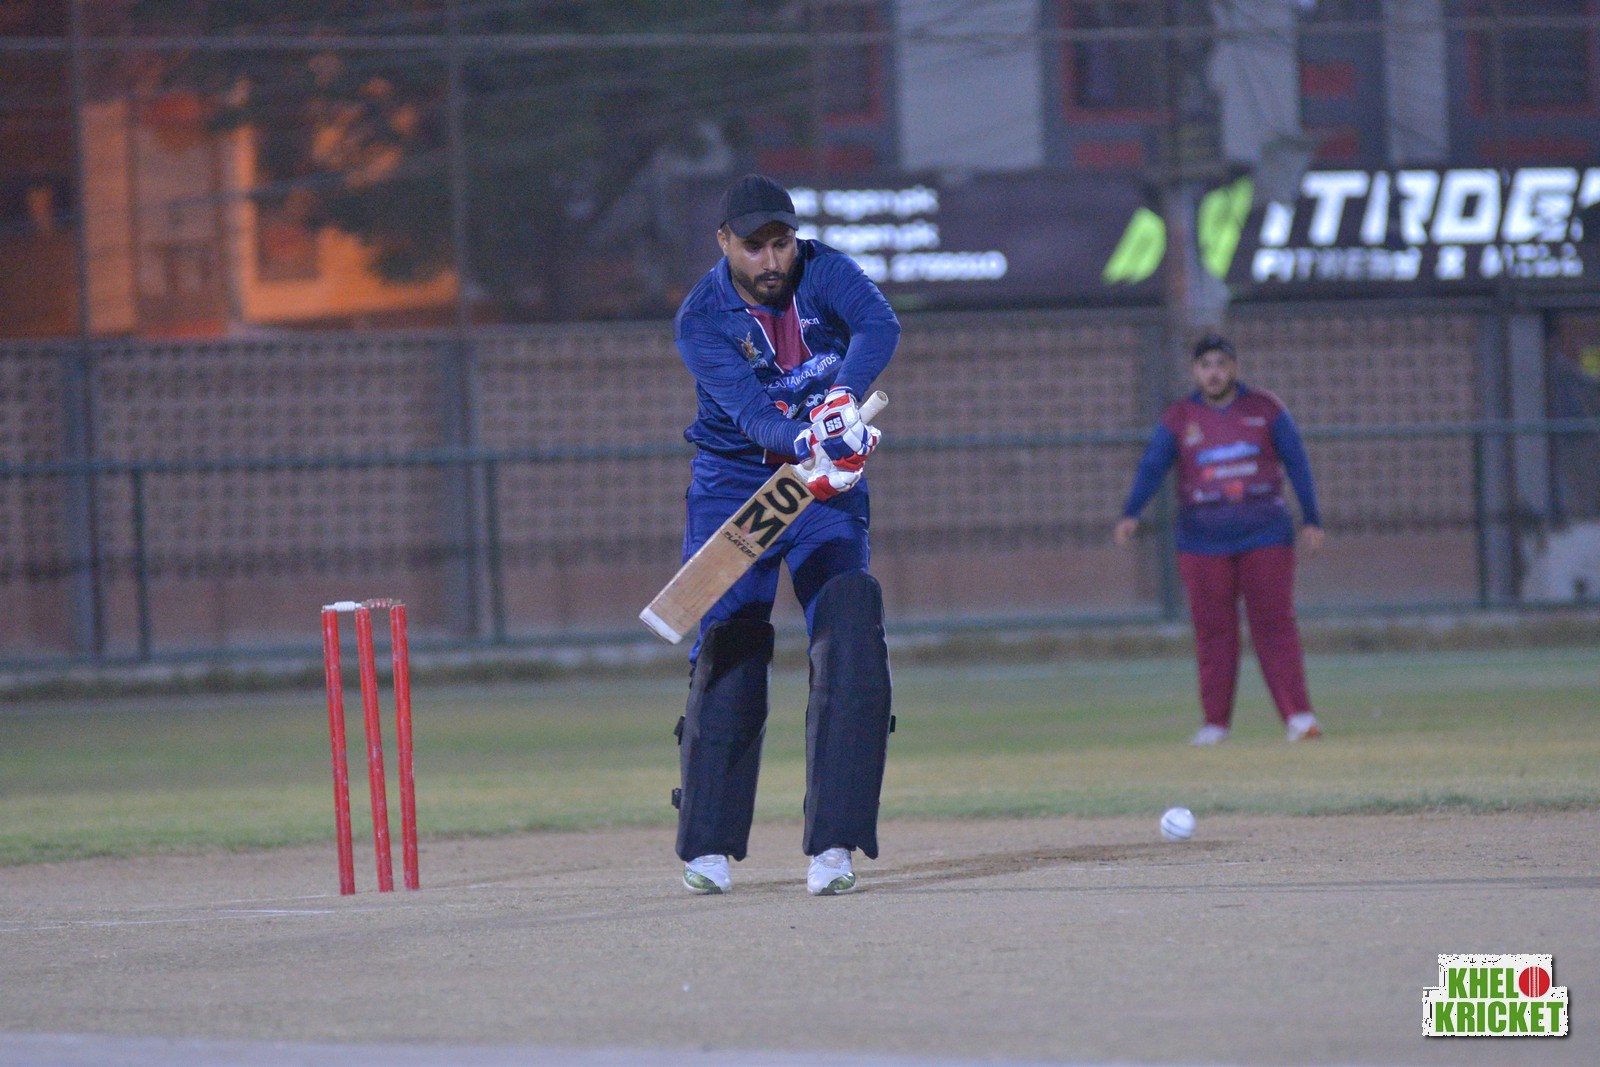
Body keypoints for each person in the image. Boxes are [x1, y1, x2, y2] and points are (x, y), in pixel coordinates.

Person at [668, 174, 898, 895]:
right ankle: (708, 846)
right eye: (754, 247)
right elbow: (750, 417)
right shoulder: (701, 318)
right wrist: (810, 437)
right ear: (723, 243)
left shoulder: (825, 269)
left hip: (822, 489)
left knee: (850, 628)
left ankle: (834, 846)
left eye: (781, 243)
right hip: (738, 486)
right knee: (731, 641)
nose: (771, 261)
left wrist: (841, 404)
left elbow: (880, 326)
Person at [1114, 335, 1325, 745]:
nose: (1214, 373)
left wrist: (1312, 518)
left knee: (1274, 623)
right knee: (1213, 631)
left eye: (1221, 364)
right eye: (1206, 365)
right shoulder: (1180, 417)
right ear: (1195, 371)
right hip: (1202, 540)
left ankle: (1299, 717)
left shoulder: (1266, 409)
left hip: (1265, 532)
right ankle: (1215, 724)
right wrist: (1131, 512)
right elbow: (1152, 466)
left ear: (1235, 368)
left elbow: (1297, 461)